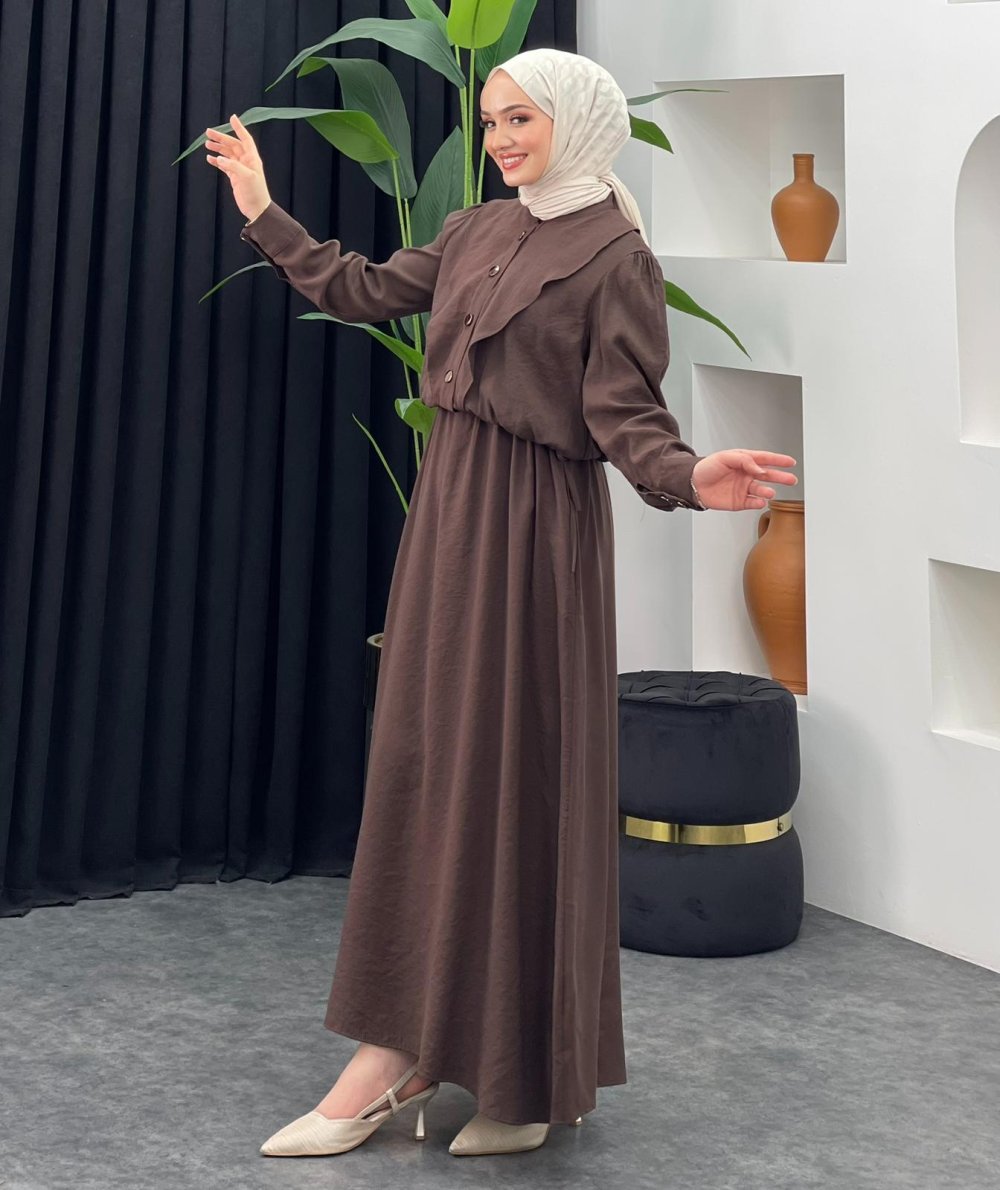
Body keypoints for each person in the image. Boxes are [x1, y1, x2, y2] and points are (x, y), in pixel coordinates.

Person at [206, 47, 797, 1159]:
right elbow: (363, 290)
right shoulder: (477, 228)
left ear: (577, 120)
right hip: (452, 516)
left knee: (518, 781)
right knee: (431, 768)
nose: (500, 141)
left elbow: (625, 416)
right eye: (490, 122)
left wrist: (689, 474)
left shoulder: (615, 256)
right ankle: (403, 1052)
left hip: (536, 534)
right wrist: (263, 209)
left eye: (520, 119)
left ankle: (521, 1074)